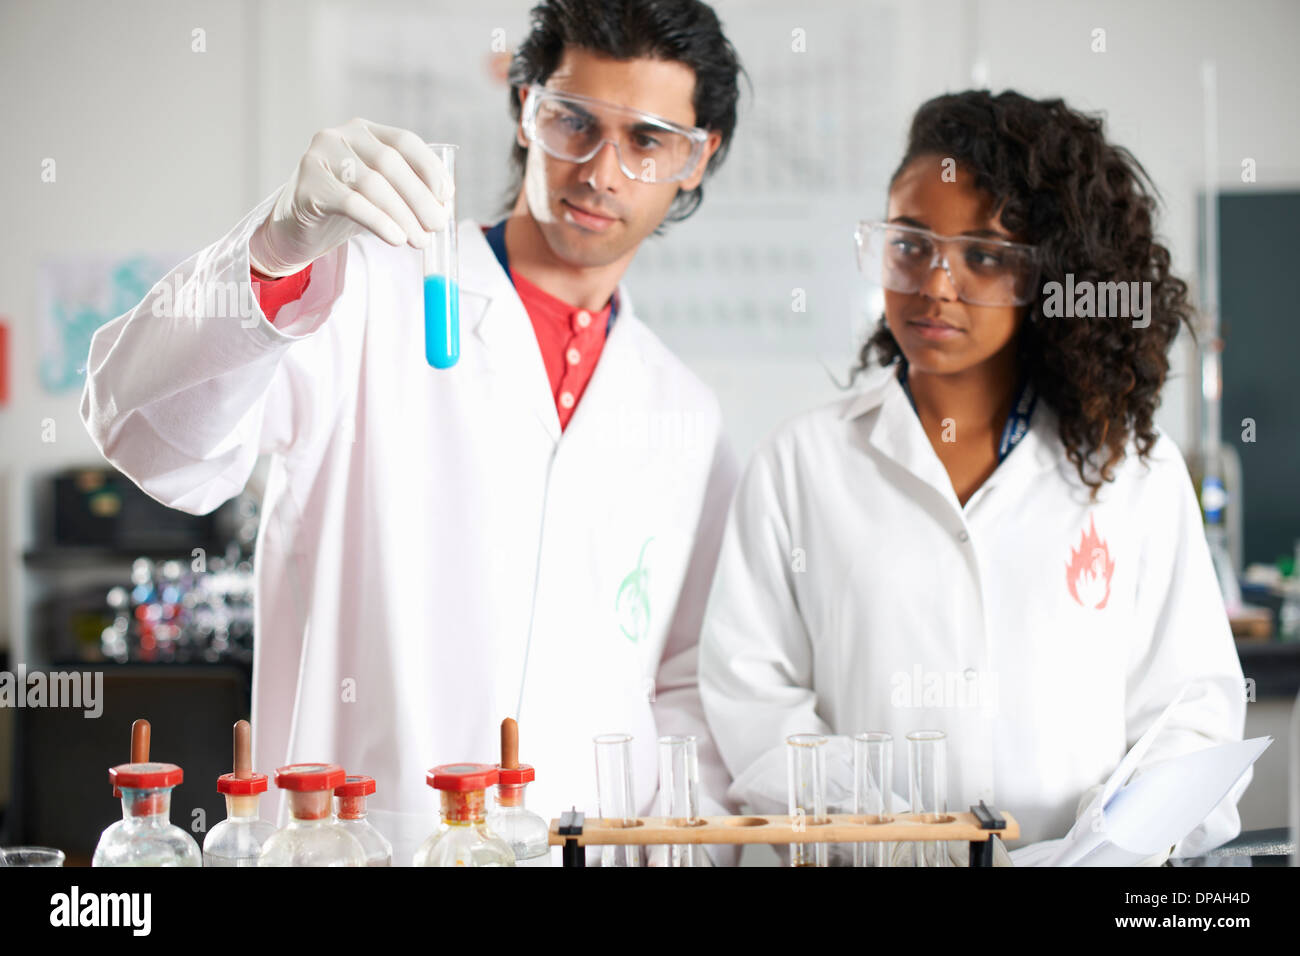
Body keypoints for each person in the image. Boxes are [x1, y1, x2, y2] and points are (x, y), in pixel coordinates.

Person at [81, 0, 745, 865]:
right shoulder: (366, 294)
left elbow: (685, 683)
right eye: (573, 121)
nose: (601, 172)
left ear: (699, 159)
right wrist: (274, 256)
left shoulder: (685, 412)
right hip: (360, 842)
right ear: (523, 109)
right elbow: (147, 431)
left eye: (648, 140)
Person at [698, 90, 1248, 864]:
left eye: (985, 255)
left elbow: (1189, 717)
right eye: (911, 243)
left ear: (1046, 277)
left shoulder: (1135, 475)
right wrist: (905, 846)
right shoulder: (802, 464)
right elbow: (752, 702)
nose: (937, 283)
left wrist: (1103, 847)